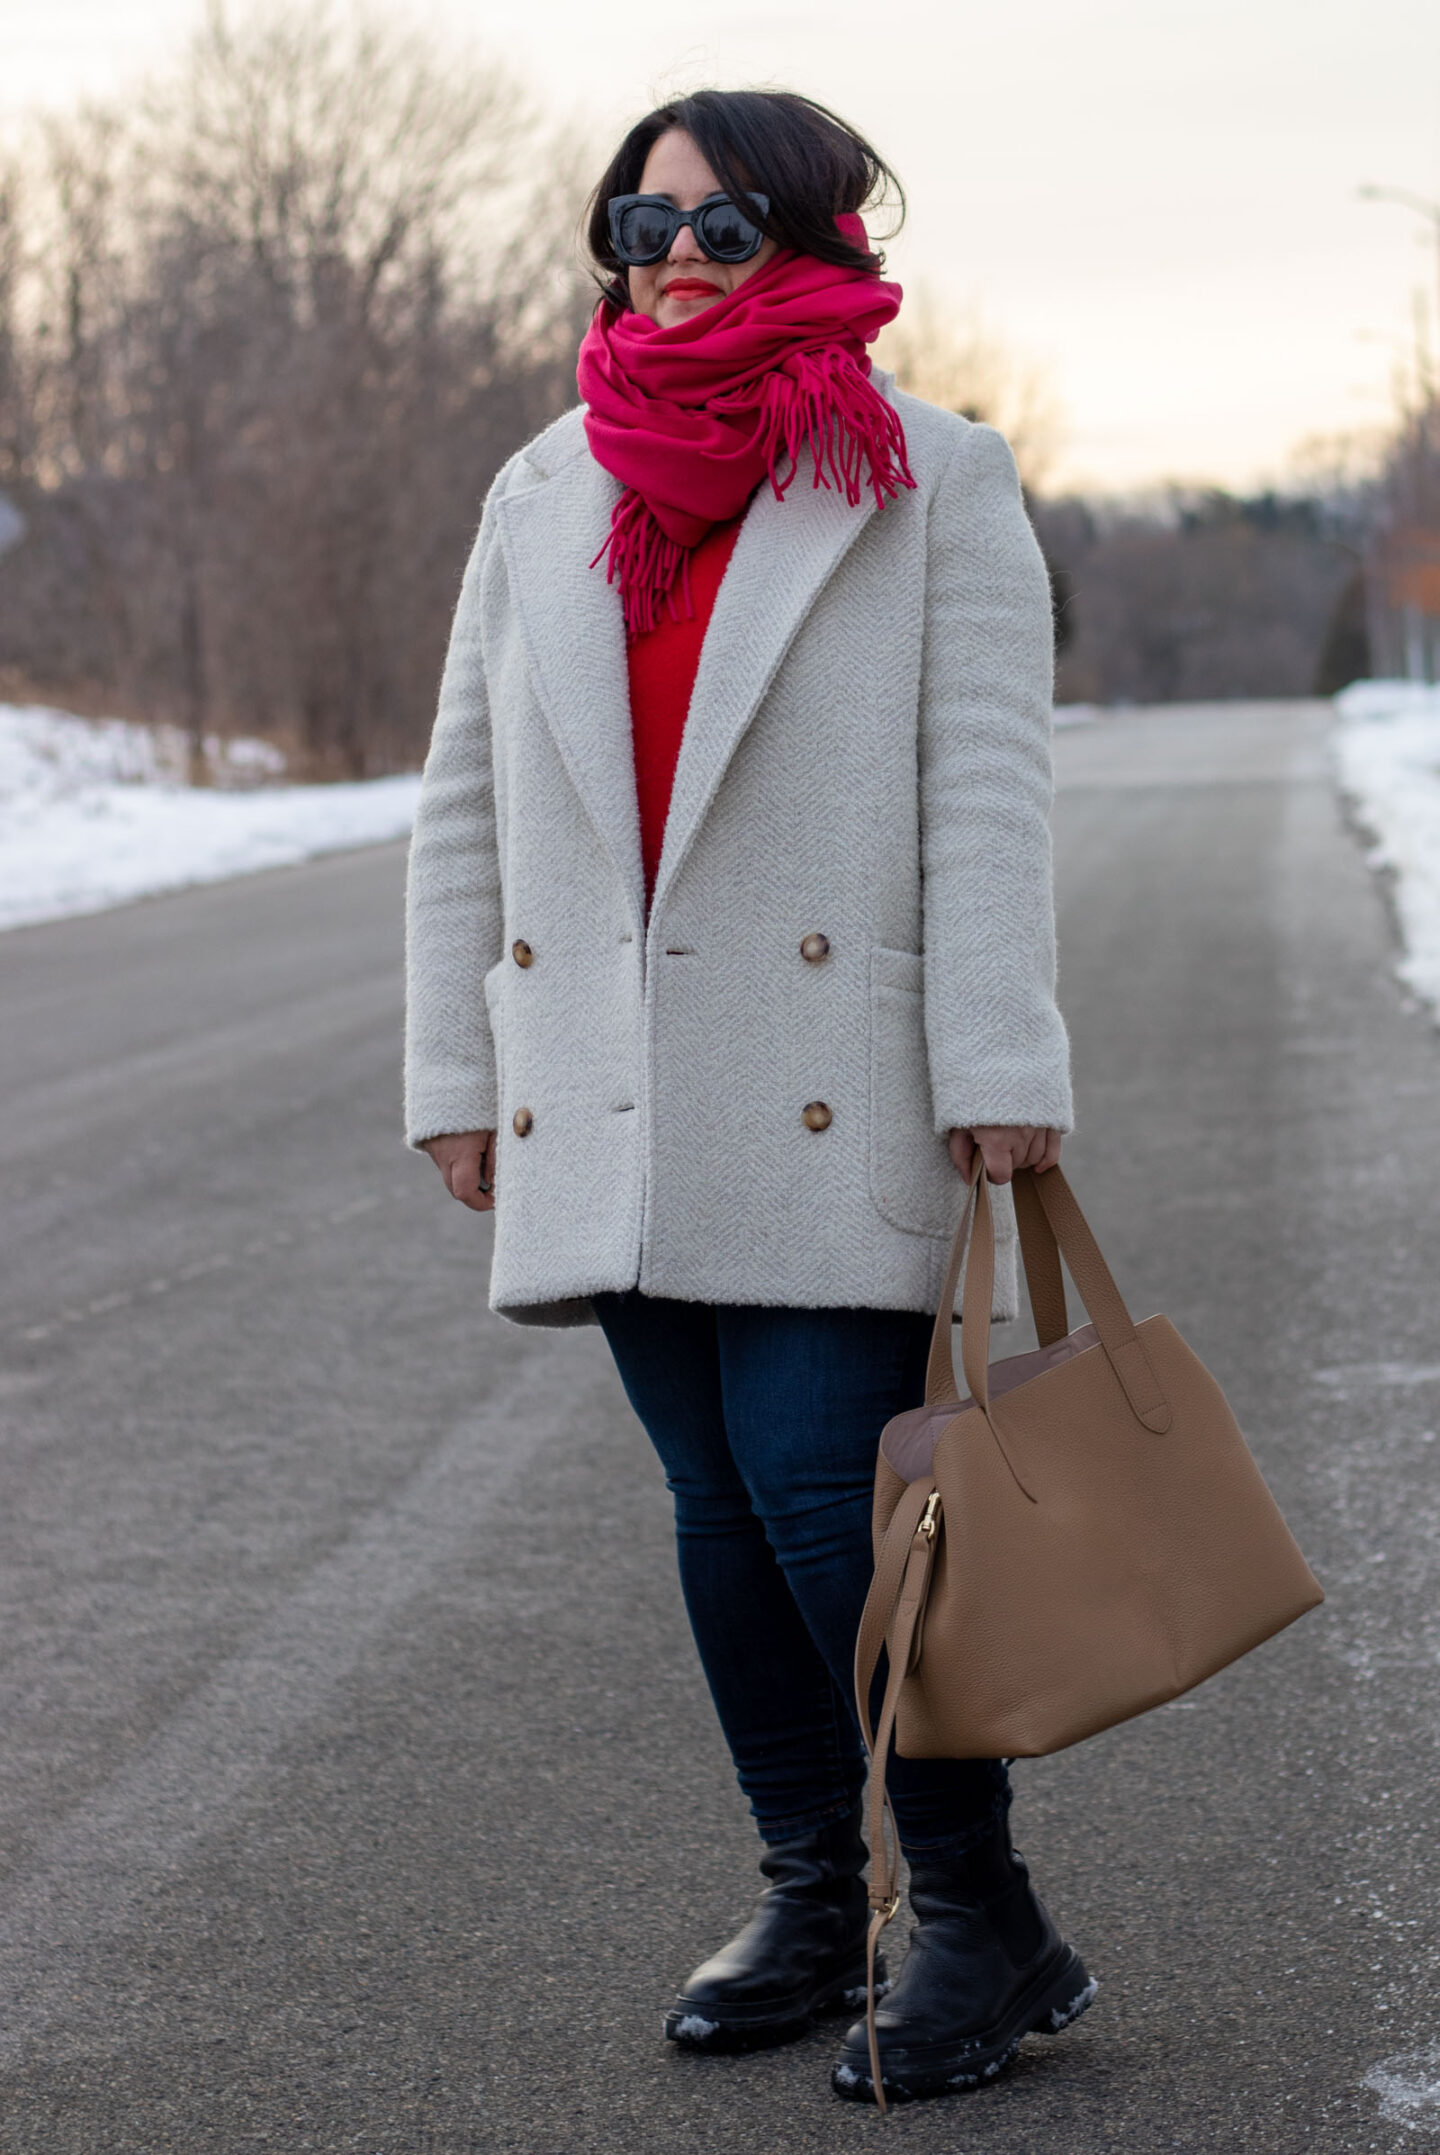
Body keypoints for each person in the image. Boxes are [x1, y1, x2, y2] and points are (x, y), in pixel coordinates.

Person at [404, 87, 1093, 2107]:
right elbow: (465, 802)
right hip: (602, 1084)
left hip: (828, 1070)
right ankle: (814, 1893)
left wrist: (1002, 1060)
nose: (678, 255)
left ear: (819, 239)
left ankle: (976, 1911)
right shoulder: (540, 486)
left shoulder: (933, 480)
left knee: (823, 1499)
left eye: (724, 223)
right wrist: (459, 1066)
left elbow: (988, 792)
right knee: (717, 1501)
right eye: (645, 219)